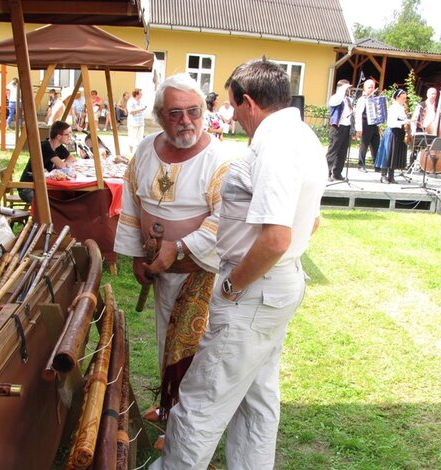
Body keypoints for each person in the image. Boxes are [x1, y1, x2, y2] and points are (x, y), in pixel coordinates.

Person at [149, 58, 327, 470]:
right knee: (256, 395)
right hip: (274, 285)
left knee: (202, 398)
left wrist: (232, 287)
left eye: (231, 106)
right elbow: (312, 221)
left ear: (248, 102)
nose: (232, 116)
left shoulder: (276, 144)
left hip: (252, 287)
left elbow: (276, 238)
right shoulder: (303, 136)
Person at [114, 74, 230, 431]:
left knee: (195, 350)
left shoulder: (219, 160)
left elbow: (223, 219)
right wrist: (137, 254)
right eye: (175, 113)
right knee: (167, 338)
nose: (185, 121)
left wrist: (178, 247)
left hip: (201, 274)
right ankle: (169, 407)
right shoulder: (146, 149)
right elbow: (132, 203)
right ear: (159, 116)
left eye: (193, 112)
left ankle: (186, 424)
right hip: (162, 271)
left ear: (204, 112)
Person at [18, 120, 76, 203]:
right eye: (68, 134)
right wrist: (62, 165)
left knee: (63, 196)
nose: (70, 136)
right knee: (54, 203)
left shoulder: (59, 147)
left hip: (41, 186)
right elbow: (61, 166)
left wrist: (62, 165)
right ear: (59, 136)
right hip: (28, 188)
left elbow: (72, 158)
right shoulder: (45, 146)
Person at [375, 89, 410, 184]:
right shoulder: (393, 108)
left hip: (399, 133)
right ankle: (383, 176)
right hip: (392, 132)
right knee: (388, 154)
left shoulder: (401, 108)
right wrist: (404, 122)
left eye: (405, 98)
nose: (404, 100)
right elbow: (391, 122)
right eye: (402, 98)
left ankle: (391, 176)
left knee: (395, 155)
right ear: (397, 98)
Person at [326, 79, 353, 181]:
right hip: (337, 127)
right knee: (333, 150)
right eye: (346, 88)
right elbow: (337, 101)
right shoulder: (335, 98)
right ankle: (326, 172)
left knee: (342, 151)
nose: (348, 90)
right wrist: (342, 90)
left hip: (346, 127)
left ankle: (337, 173)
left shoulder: (348, 99)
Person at [354, 79, 380, 172]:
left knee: (376, 144)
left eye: (372, 87)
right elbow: (358, 114)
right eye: (369, 87)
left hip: (374, 124)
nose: (371, 89)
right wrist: (359, 128)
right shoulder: (362, 99)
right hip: (365, 124)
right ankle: (361, 165)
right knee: (364, 145)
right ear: (365, 88)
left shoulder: (375, 98)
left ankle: (377, 165)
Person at [126, 88, 146, 155]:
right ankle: (130, 153)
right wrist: (141, 109)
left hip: (140, 122)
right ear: (136, 94)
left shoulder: (140, 101)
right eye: (140, 94)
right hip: (133, 122)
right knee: (132, 138)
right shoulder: (131, 101)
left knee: (140, 138)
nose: (142, 95)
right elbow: (130, 111)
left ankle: (138, 152)